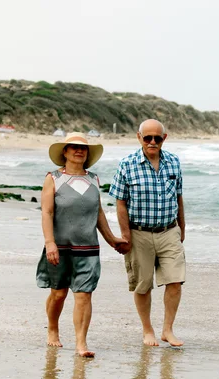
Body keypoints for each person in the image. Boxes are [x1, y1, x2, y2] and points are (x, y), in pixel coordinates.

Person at [36, 132, 127, 357]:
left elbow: (98, 214)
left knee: (84, 294)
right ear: (64, 151)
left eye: (83, 148)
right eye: (73, 147)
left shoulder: (93, 179)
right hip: (60, 247)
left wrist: (112, 238)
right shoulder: (53, 178)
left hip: (88, 248)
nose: (79, 150)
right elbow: (47, 212)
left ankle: (81, 344)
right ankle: (53, 329)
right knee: (58, 294)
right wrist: (50, 243)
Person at [109, 119, 186, 347]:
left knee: (175, 281)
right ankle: (147, 330)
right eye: (147, 138)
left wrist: (182, 227)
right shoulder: (127, 164)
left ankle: (168, 330)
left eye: (157, 138)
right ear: (139, 137)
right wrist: (125, 235)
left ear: (165, 138)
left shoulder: (174, 162)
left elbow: (178, 197)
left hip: (169, 230)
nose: (152, 142)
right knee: (143, 285)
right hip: (138, 232)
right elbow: (120, 202)